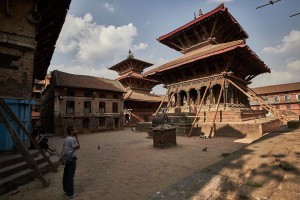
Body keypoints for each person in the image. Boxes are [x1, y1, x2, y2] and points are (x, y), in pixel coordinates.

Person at [62, 126, 80, 198]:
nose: (76, 131)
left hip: (66, 158)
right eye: (75, 130)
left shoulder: (66, 139)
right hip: (71, 159)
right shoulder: (73, 139)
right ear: (71, 131)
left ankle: (66, 189)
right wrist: (77, 137)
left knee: (66, 175)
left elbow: (63, 148)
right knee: (70, 176)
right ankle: (70, 193)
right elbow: (78, 147)